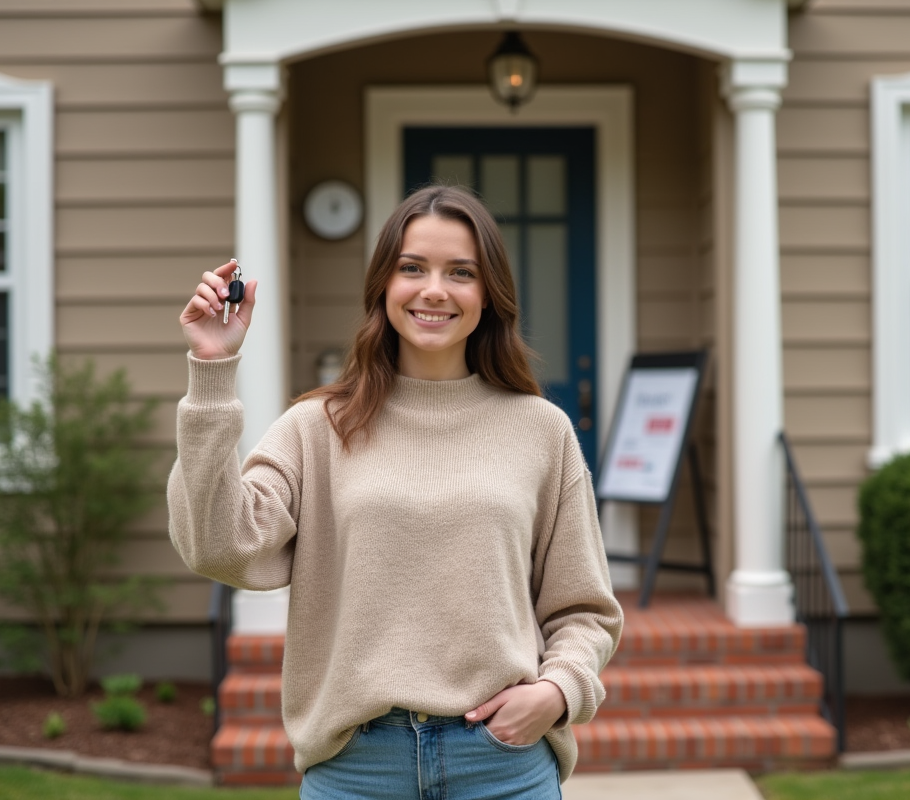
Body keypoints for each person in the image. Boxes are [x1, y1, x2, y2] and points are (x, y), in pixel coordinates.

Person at [168, 184, 623, 799]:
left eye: (460, 272)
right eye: (413, 268)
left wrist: (558, 691)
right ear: (385, 285)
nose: (434, 289)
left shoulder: (542, 431)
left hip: (501, 765)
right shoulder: (317, 427)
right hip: (357, 768)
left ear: (488, 296)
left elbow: (584, 611)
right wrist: (213, 371)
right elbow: (218, 546)